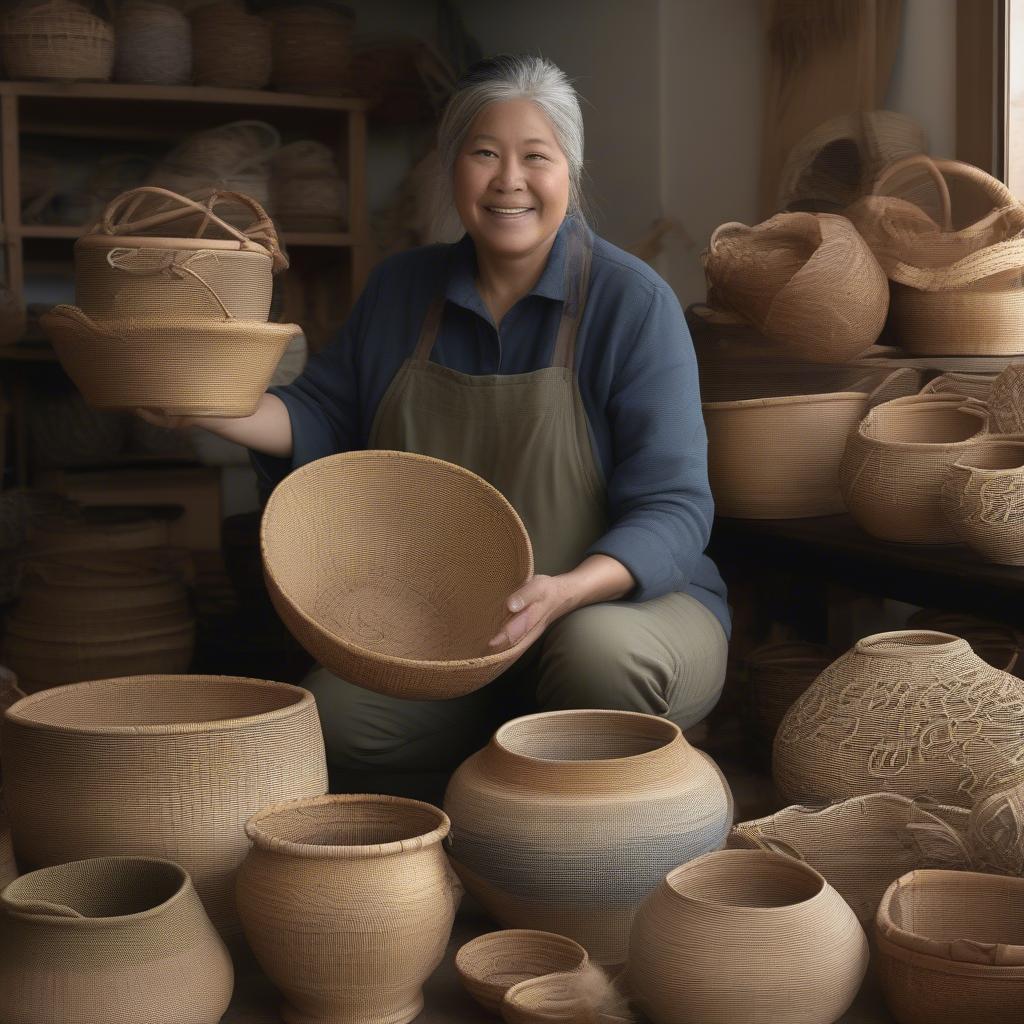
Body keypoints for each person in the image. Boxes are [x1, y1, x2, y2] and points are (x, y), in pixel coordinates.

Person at [146, 55, 730, 790]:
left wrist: (566, 592)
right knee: (332, 724)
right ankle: (496, 770)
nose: (508, 179)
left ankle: (558, 788)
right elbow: (324, 417)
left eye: (536, 157)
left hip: (625, 609)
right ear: (451, 169)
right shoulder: (401, 289)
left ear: (570, 175)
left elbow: (676, 508)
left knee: (596, 658)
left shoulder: (630, 303)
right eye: (484, 153)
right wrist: (208, 408)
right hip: (449, 630)